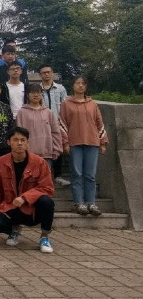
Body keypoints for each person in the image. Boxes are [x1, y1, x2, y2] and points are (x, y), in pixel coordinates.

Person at [0, 126, 55, 253]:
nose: (20, 143)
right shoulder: (0, 163)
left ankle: (44, 237)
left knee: (47, 201)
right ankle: (14, 230)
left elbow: (47, 188)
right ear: (8, 142)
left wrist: (25, 198)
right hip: (11, 206)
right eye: (15, 140)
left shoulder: (39, 162)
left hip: (33, 210)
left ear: (27, 142)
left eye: (23, 140)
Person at [59, 77, 109, 216]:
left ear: (86, 87)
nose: (80, 86)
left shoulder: (92, 104)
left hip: (92, 142)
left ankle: (91, 203)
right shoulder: (66, 103)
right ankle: (79, 203)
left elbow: (99, 123)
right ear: (73, 86)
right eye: (78, 83)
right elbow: (62, 124)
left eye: (83, 84)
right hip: (74, 143)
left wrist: (103, 142)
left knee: (90, 175)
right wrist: (65, 142)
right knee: (77, 174)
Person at [15, 84, 63, 172]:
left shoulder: (48, 112)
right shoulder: (22, 112)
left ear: (42, 95)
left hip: (47, 153)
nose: (36, 95)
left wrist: (57, 149)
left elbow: (55, 132)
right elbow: (19, 134)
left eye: (38, 92)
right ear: (28, 95)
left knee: (45, 177)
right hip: (28, 153)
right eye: (33, 93)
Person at [39, 64, 70, 186]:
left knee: (57, 147)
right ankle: (44, 175)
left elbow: (65, 105)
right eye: (44, 72)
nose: (46, 74)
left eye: (48, 72)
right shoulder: (37, 89)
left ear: (52, 73)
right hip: (42, 123)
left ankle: (57, 175)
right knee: (44, 148)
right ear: (40, 75)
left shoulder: (60, 89)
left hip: (57, 122)